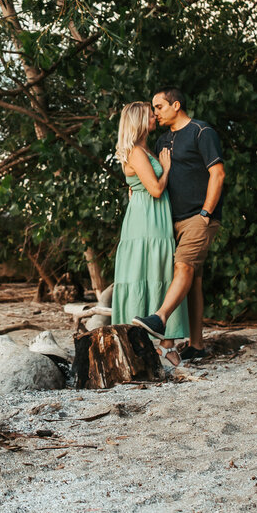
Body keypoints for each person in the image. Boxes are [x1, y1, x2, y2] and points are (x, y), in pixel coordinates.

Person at [133, 88, 226, 361]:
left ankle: (160, 318)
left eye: (159, 107)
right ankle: (196, 345)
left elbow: (217, 173)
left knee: (183, 265)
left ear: (176, 105)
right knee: (193, 280)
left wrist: (206, 213)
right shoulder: (161, 140)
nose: (155, 113)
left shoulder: (201, 131)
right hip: (170, 220)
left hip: (199, 217)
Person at [100, 101, 187, 366]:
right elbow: (156, 190)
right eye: (150, 115)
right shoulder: (137, 152)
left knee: (159, 273)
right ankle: (146, 344)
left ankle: (167, 343)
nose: (154, 117)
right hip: (147, 219)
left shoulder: (144, 148)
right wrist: (167, 168)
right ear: (139, 120)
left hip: (153, 216)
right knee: (150, 273)